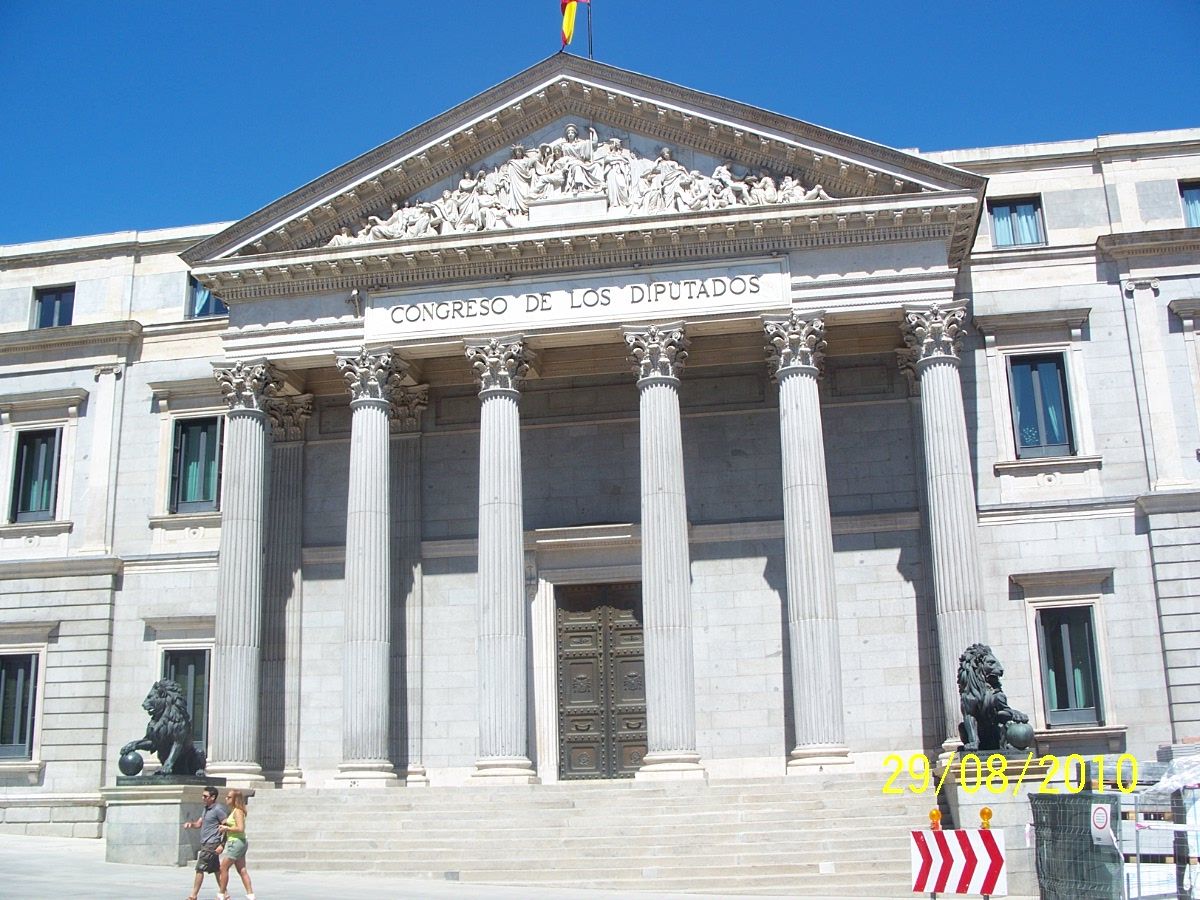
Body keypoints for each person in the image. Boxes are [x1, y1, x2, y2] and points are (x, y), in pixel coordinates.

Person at [181, 785, 227, 900]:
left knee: (200, 868)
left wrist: (222, 844)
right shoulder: (206, 808)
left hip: (212, 844)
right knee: (216, 870)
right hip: (206, 843)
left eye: (205, 796)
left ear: (213, 797)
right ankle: (225, 894)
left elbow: (226, 826)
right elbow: (199, 824)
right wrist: (191, 824)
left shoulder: (218, 809)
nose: (203, 798)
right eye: (203, 795)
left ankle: (193, 895)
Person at [215, 788, 255, 900]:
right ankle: (250, 895)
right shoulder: (234, 811)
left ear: (235, 799)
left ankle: (221, 894)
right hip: (238, 842)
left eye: (229, 797)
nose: (226, 798)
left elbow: (240, 828)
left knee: (223, 867)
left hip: (236, 842)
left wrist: (226, 828)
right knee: (241, 869)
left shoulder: (237, 811)